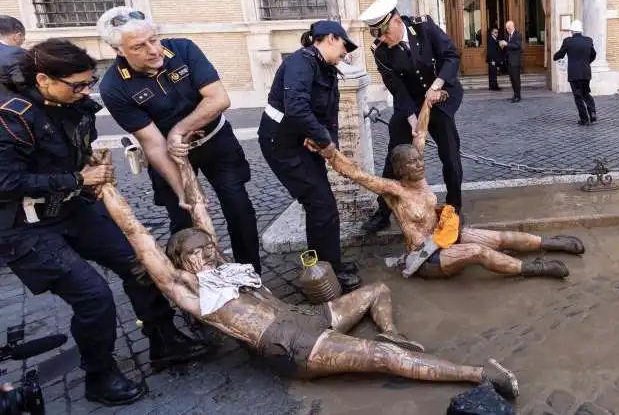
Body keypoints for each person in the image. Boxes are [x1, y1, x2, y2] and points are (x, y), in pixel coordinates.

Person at [96, 148, 521, 400]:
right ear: (179, 264)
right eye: (195, 253)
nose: (206, 253)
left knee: (375, 291)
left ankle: (389, 330)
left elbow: (201, 208)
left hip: (306, 317)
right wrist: (106, 188)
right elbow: (137, 232)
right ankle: (479, 375)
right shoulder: (185, 287)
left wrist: (182, 160)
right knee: (381, 359)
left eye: (208, 247)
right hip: (290, 344)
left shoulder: (222, 265)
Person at [0, 40, 208, 406]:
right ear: (44, 79)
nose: (86, 91)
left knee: (141, 264)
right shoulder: (10, 117)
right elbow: (5, 183)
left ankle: (164, 340)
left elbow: (79, 146)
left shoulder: (74, 103)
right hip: (26, 224)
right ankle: (99, 375)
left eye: (89, 82)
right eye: (77, 85)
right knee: (93, 295)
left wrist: (92, 162)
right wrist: (78, 179)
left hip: (73, 207)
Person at [308, 94, 585, 280]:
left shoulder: (419, 177)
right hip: (426, 258)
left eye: (419, 160)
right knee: (477, 253)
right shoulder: (395, 190)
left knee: (498, 237)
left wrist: (428, 102)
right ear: (401, 170)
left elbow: (421, 134)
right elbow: (357, 174)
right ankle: (533, 269)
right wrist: (330, 152)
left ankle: (550, 243)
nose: (420, 164)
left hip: (444, 235)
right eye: (413, 164)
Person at [97, 7, 262, 274]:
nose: (153, 50)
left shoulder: (184, 49)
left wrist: (179, 130)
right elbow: (152, 143)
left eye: (153, 39)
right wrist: (182, 189)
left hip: (216, 141)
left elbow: (218, 98)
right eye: (139, 46)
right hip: (168, 155)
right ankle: (197, 282)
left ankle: (251, 273)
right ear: (118, 51)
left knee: (239, 207)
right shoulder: (113, 86)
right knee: (182, 217)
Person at [257, 20, 362, 292]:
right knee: (321, 204)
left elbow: (331, 118)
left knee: (322, 204)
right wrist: (326, 145)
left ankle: (331, 263)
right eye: (343, 45)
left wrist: (331, 147)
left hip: (302, 142)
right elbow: (296, 109)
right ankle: (326, 272)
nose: (345, 52)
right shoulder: (300, 63)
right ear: (328, 38)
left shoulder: (327, 70)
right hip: (281, 143)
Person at [358, 0, 464, 234]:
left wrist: (437, 85)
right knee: (394, 156)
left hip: (441, 98)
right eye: (378, 36)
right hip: (410, 105)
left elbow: (451, 56)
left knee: (450, 155)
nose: (383, 40)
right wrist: (414, 124)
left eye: (385, 33)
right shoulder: (381, 51)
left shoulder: (423, 27)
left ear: (396, 21)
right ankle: (383, 212)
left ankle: (454, 208)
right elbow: (398, 89)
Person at [554, 19, 597, 125]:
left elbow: (560, 54)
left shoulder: (568, 41)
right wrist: (586, 63)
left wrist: (555, 57)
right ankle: (592, 112)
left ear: (572, 31)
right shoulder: (588, 40)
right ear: (581, 30)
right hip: (586, 72)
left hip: (574, 74)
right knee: (586, 94)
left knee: (578, 97)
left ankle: (584, 119)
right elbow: (593, 54)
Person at [501, 20, 523, 102]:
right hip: (509, 61)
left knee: (516, 80)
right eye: (507, 28)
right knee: (512, 80)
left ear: (513, 27)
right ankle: (515, 95)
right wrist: (502, 45)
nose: (507, 30)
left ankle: (518, 96)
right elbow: (507, 47)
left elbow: (517, 46)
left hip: (515, 62)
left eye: (509, 28)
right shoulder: (507, 35)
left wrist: (507, 44)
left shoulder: (518, 35)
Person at [486, 27, 504, 91]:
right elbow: (490, 51)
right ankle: (495, 87)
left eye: (497, 32)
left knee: (492, 73)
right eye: (495, 32)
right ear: (492, 33)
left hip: (494, 59)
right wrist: (492, 60)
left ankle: (491, 86)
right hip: (492, 60)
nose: (496, 34)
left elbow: (496, 50)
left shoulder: (495, 39)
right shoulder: (491, 39)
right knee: (493, 74)